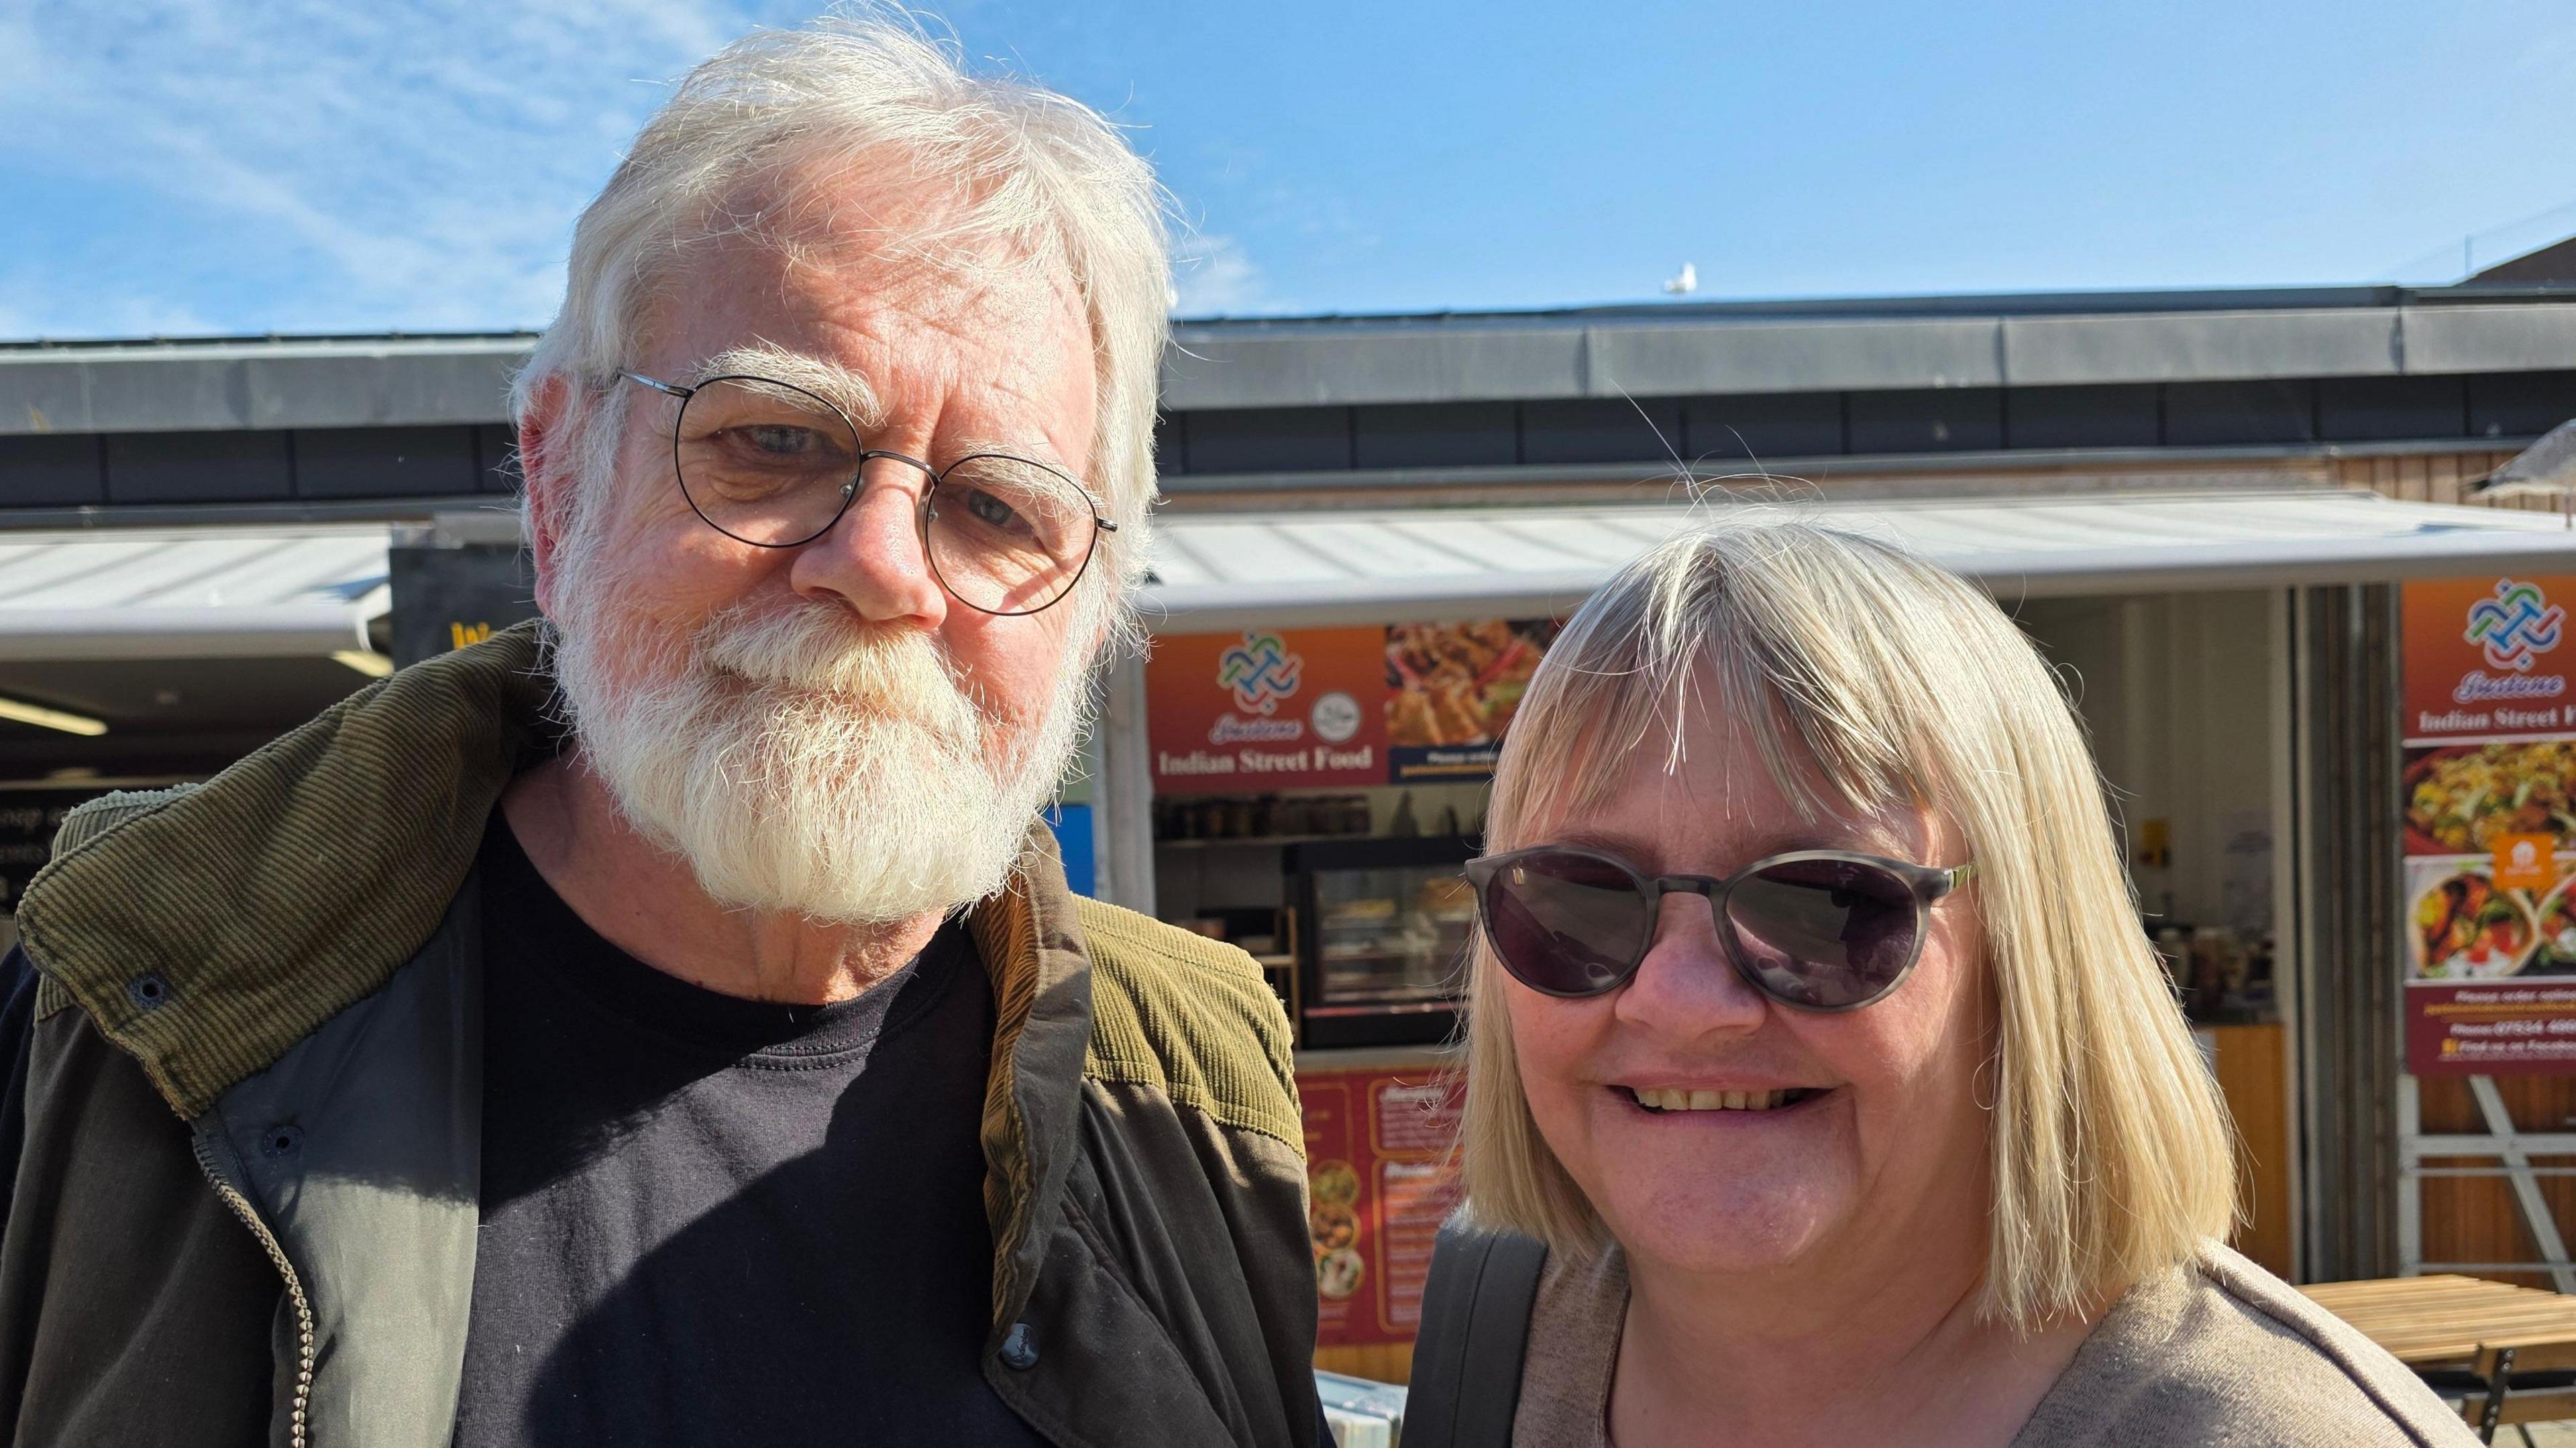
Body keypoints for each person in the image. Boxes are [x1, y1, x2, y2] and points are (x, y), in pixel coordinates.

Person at [0, 17, 1320, 1448]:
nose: (881, 566)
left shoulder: (1195, 1083)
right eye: (776, 438)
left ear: (1092, 611)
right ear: (559, 482)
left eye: (997, 508)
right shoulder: (120, 1006)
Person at [1409, 522, 2475, 1446]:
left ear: (2030, 949)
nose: (1680, 1001)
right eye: (1580, 898)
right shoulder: (1491, 1341)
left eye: (1822, 900)